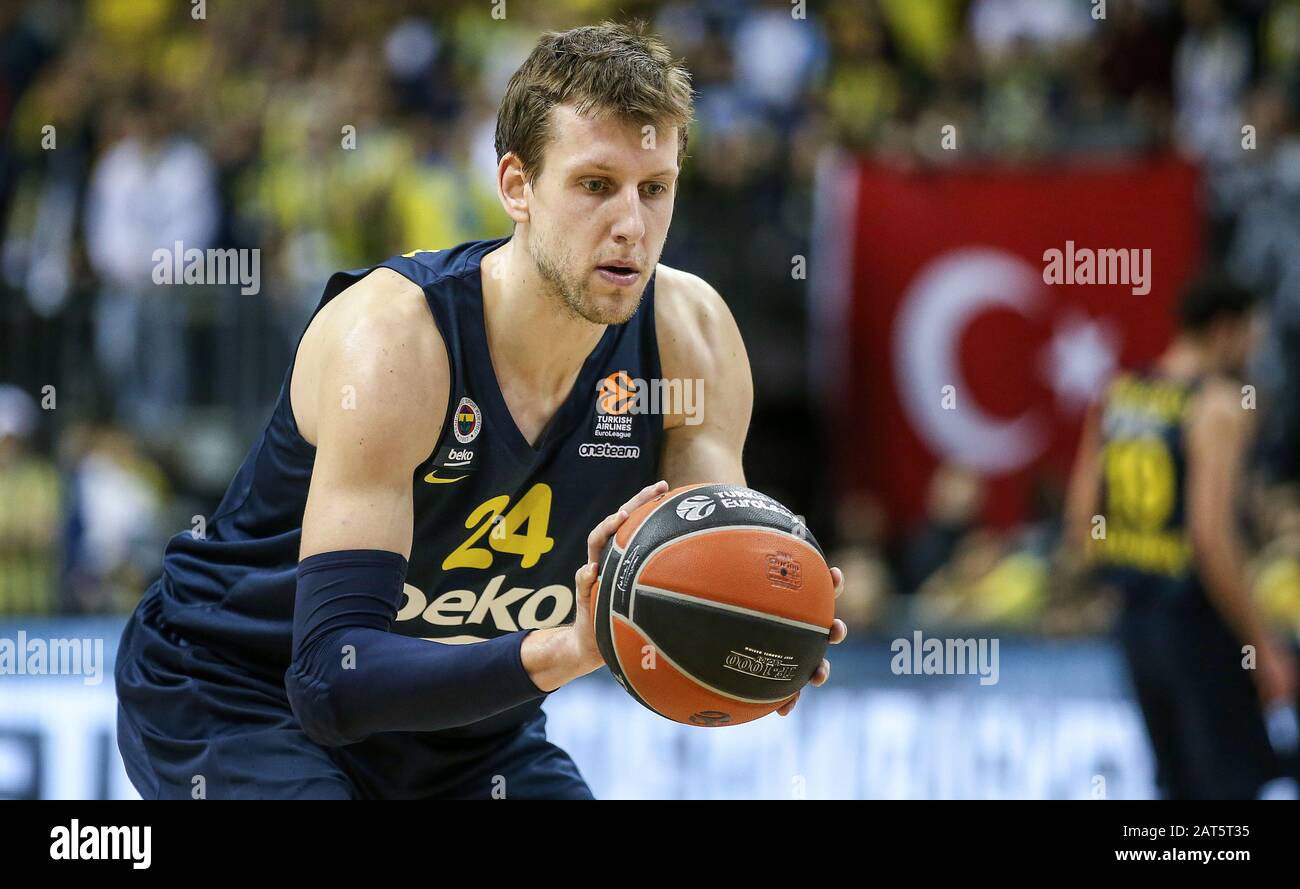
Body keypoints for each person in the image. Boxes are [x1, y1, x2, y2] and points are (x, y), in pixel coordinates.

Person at [114, 20, 847, 800]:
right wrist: (566, 646)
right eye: (595, 184)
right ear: (516, 186)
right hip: (238, 691)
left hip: (467, 728)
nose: (632, 223)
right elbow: (331, 680)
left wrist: (759, 619)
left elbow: (699, 569)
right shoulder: (395, 340)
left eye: (654, 187)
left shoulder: (691, 339)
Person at [1064, 272, 1297, 799]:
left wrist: (1126, 584)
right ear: (1224, 331)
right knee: (1228, 791)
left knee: (1175, 786)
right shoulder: (1217, 406)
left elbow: (1081, 521)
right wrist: (1261, 645)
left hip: (1137, 625)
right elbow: (1211, 538)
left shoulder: (1118, 394)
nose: (1252, 355)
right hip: (1199, 625)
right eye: (1250, 340)